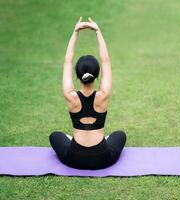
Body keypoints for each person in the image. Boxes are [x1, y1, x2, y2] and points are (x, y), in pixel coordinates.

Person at [49, 16, 126, 170]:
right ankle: (103, 139)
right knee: (120, 134)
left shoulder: (70, 96)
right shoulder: (103, 95)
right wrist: (98, 32)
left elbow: (67, 61)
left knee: (55, 135)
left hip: (75, 158)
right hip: (102, 158)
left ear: (77, 76)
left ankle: (73, 140)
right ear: (97, 75)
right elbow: (106, 61)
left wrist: (75, 33)